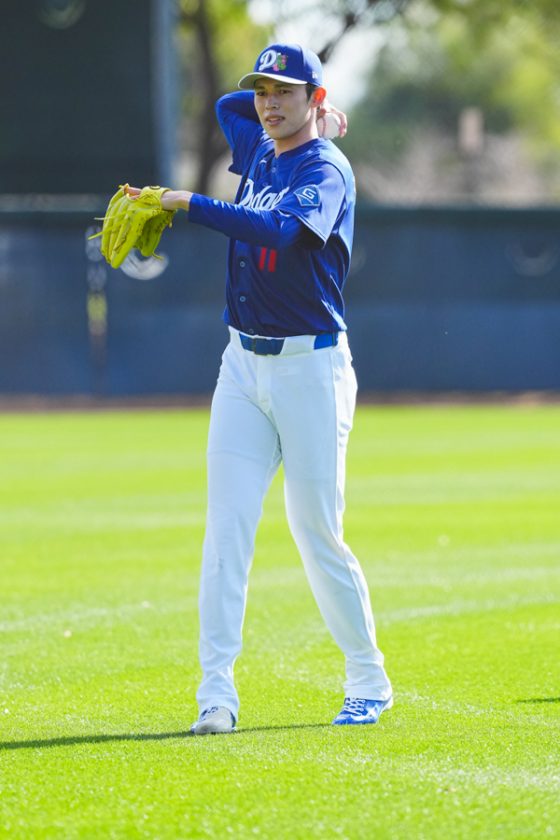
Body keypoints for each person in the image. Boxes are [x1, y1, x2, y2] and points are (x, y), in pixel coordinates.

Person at [156, 43, 393, 734]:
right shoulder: (260, 142)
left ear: (313, 97)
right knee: (226, 530)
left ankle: (368, 680)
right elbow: (229, 106)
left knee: (315, 530)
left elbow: (284, 231)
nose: (267, 103)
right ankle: (215, 695)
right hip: (241, 365)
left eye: (284, 91)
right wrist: (306, 108)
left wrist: (192, 202)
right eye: (263, 90)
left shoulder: (326, 168)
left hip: (309, 369)